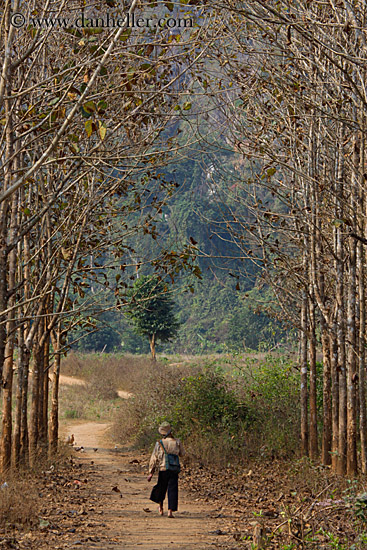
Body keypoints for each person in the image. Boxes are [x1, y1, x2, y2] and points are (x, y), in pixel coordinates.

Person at [147, 422, 184, 518]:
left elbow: (154, 458)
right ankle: (170, 511)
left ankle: (160, 507)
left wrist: (151, 472)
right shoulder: (177, 442)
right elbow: (182, 454)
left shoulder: (159, 443)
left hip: (163, 469)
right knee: (173, 489)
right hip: (174, 469)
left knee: (161, 488)